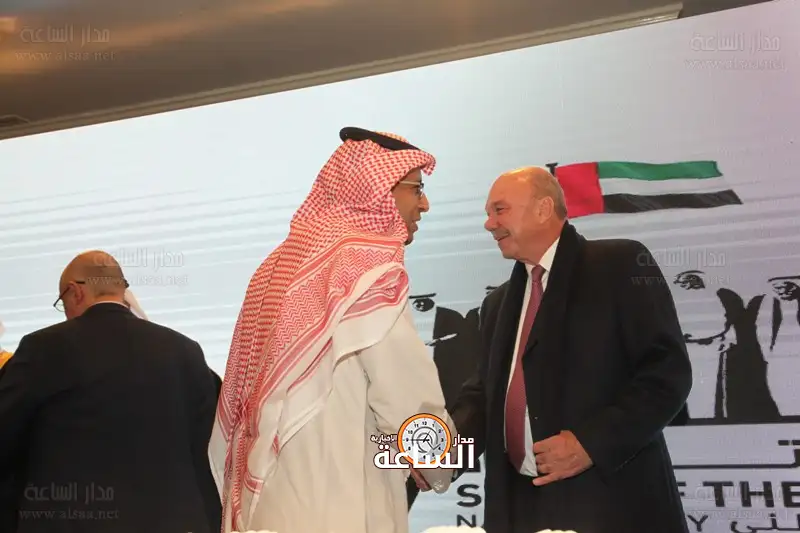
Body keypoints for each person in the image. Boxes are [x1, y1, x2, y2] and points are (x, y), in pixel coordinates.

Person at [412, 167, 692, 533]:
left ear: (544, 209)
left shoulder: (619, 264)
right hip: (519, 511)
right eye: (488, 213)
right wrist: (445, 454)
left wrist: (590, 444)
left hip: (610, 505)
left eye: (499, 210)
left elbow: (666, 374)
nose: (489, 224)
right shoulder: (497, 305)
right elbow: (483, 398)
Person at [209, 127, 457, 533]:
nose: (424, 204)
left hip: (267, 504)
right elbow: (407, 399)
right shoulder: (368, 271)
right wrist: (438, 466)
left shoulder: (275, 270)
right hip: (339, 506)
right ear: (379, 191)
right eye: (417, 188)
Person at [0, 251, 221, 533]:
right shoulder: (186, 350)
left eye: (62, 303)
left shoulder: (43, 348)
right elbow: (209, 446)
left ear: (75, 292)